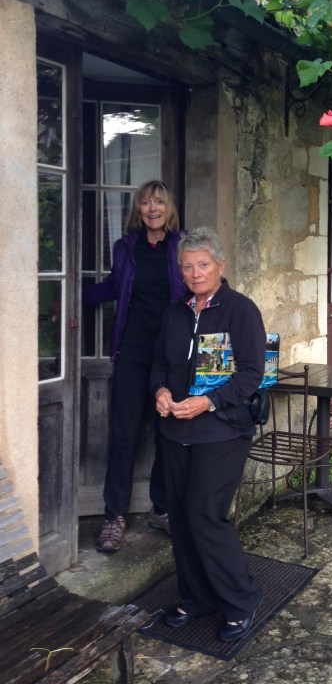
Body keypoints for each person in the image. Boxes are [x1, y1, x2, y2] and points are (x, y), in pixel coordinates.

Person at [150, 227, 264, 642]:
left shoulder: (240, 310)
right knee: (180, 518)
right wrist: (161, 391)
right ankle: (197, 596)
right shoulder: (175, 310)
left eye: (203, 264)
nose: (195, 273)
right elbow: (159, 363)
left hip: (222, 430)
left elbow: (253, 373)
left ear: (220, 266)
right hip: (175, 429)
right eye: (188, 266)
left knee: (204, 514)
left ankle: (240, 599)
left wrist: (210, 402)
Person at [84, 180, 186, 553]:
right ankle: (114, 517)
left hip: (172, 357)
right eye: (146, 202)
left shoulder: (181, 246)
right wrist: (72, 298)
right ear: (138, 210)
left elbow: (198, 284)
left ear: (168, 207)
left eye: (159, 201)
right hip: (132, 352)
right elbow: (115, 287)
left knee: (166, 433)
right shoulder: (126, 247)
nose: (153, 208)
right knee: (124, 436)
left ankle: (161, 509)